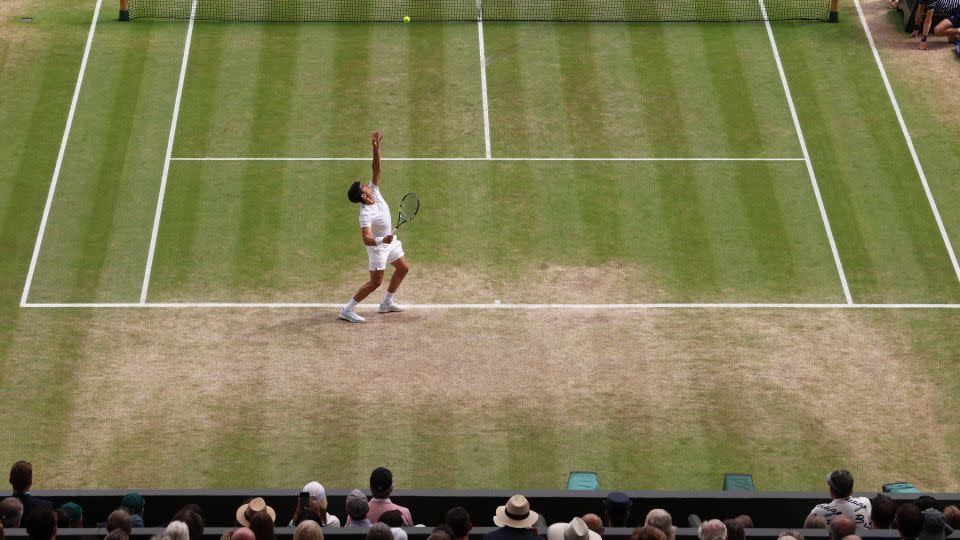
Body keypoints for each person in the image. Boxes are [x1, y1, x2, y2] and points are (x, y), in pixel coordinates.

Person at [340, 131, 410, 323]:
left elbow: (376, 170)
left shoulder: (375, 192)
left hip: (390, 241)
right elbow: (366, 238)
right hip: (378, 247)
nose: (366, 184)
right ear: (363, 195)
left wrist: (376, 149)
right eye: (363, 186)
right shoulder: (365, 214)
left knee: (403, 268)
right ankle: (347, 309)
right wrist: (381, 240)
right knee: (375, 282)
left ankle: (387, 303)